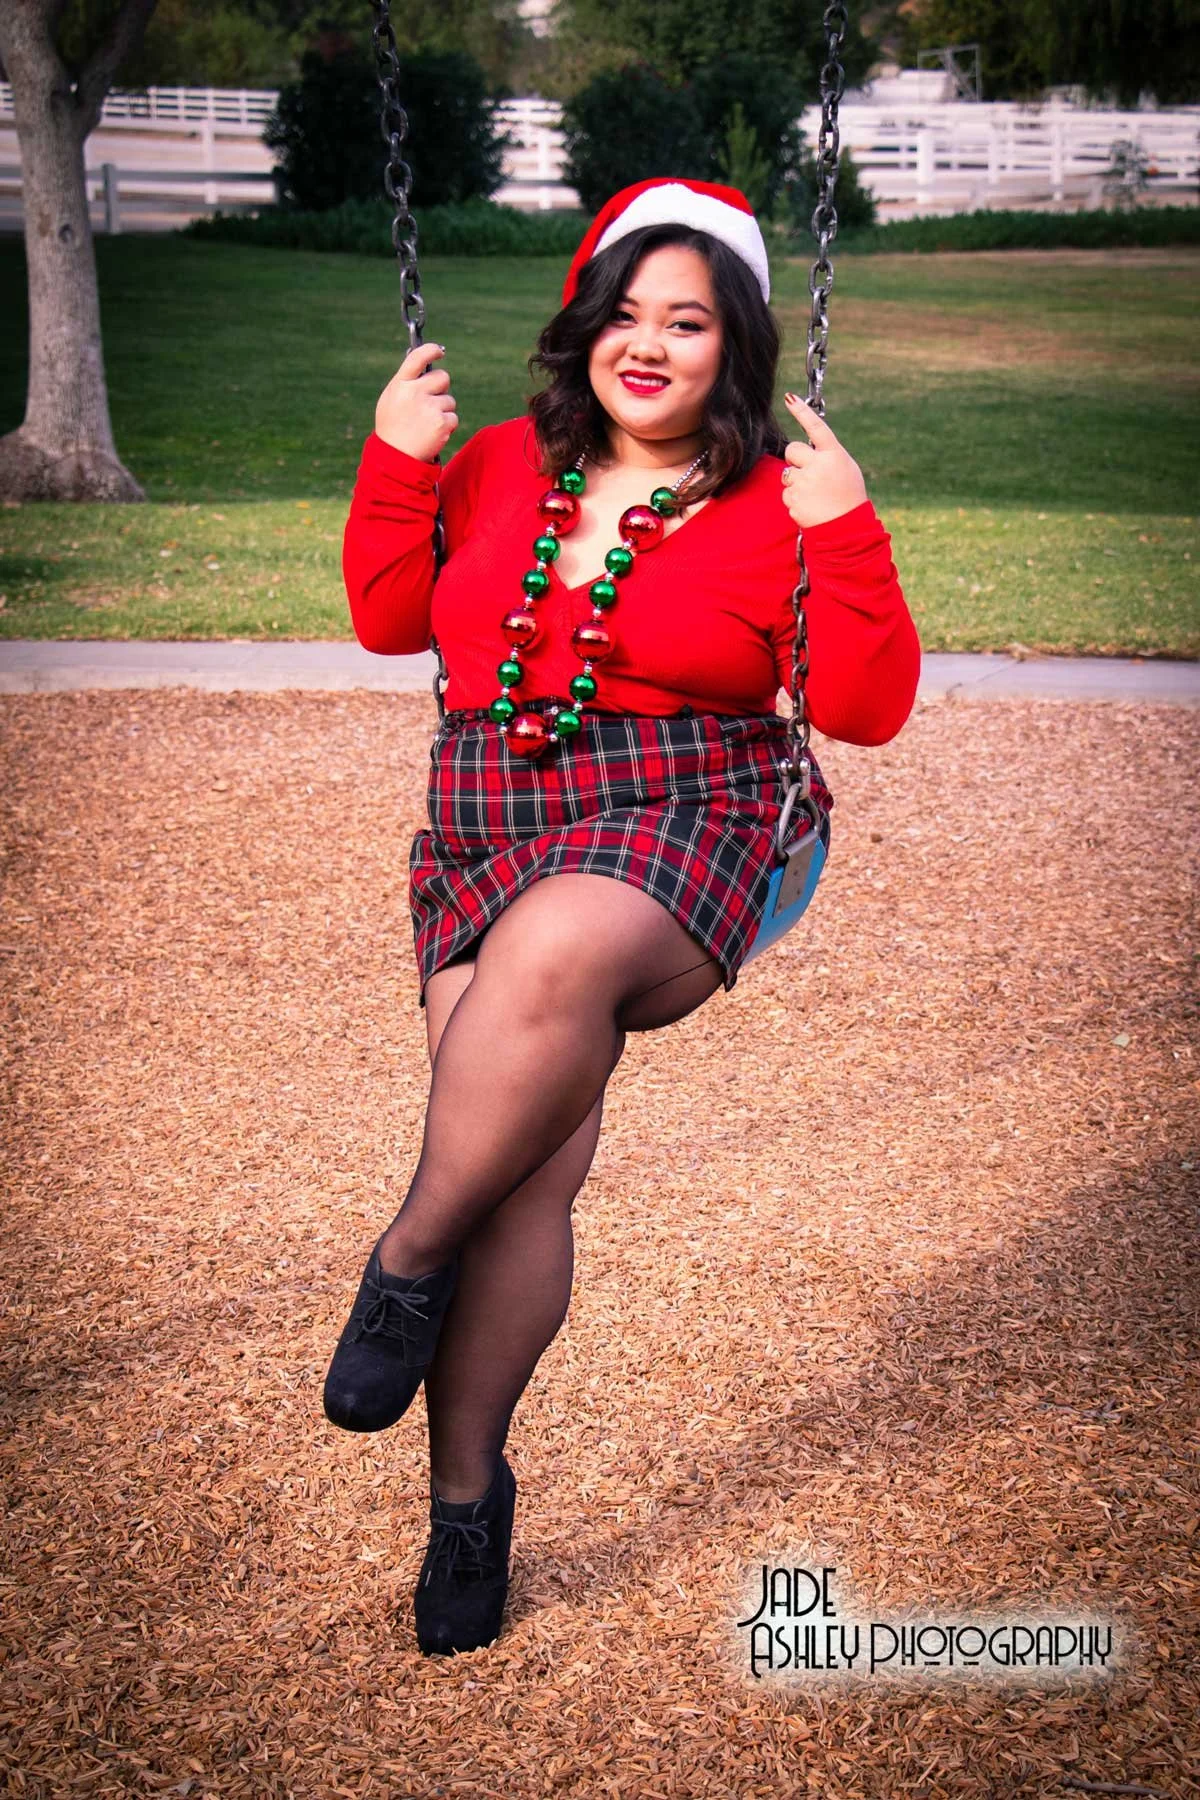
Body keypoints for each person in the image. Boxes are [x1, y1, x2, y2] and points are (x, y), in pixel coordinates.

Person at [325, 177, 921, 1657]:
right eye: (629, 315)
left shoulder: (780, 502)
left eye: (691, 322)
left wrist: (846, 536)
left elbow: (863, 708)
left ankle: (401, 1263)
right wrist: (396, 467)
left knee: (556, 949)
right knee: (524, 1170)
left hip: (696, 805)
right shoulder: (496, 467)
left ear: (737, 348)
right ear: (589, 325)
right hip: (490, 812)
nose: (649, 348)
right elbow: (394, 620)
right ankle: (469, 1499)